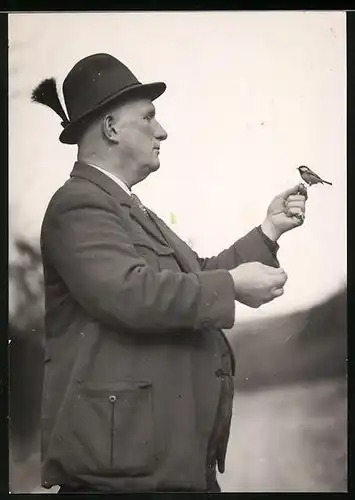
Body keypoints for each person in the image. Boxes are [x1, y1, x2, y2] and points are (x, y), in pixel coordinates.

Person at [33, 53, 307, 493]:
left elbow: (197, 274)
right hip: (123, 478)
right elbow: (132, 293)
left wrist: (269, 229)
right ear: (110, 128)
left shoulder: (125, 207)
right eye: (149, 117)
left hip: (159, 465)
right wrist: (233, 285)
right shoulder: (78, 206)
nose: (162, 131)